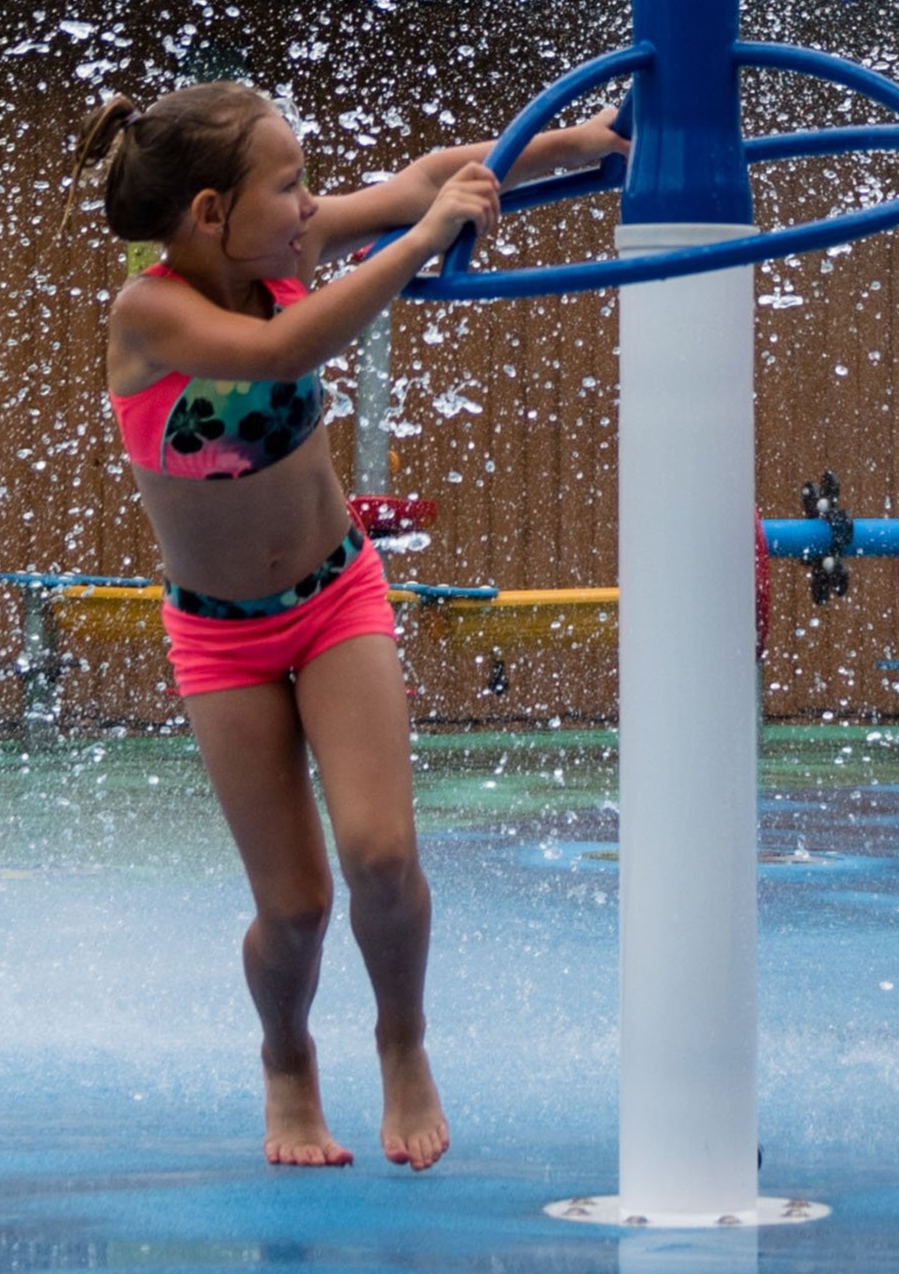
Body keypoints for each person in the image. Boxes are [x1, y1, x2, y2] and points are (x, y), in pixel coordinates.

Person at [73, 81, 625, 1172]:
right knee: (294, 907)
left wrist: (577, 145)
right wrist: (424, 241)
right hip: (220, 636)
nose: (312, 203)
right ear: (208, 215)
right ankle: (287, 1058)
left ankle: (403, 1040)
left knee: (379, 856)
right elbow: (284, 353)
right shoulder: (151, 312)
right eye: (291, 185)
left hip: (335, 596)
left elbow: (424, 178)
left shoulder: (288, 245)